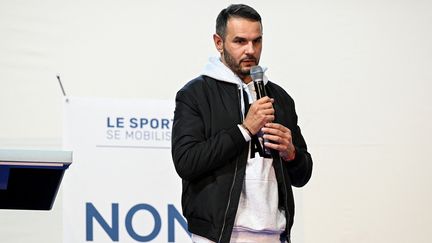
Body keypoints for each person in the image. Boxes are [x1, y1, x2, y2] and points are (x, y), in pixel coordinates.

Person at [172, 4, 312, 243]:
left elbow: (303, 175)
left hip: (274, 234)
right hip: (219, 235)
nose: (251, 50)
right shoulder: (195, 94)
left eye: (257, 41)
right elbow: (186, 162)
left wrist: (291, 153)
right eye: (240, 41)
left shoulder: (280, 98)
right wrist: (245, 130)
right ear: (219, 42)